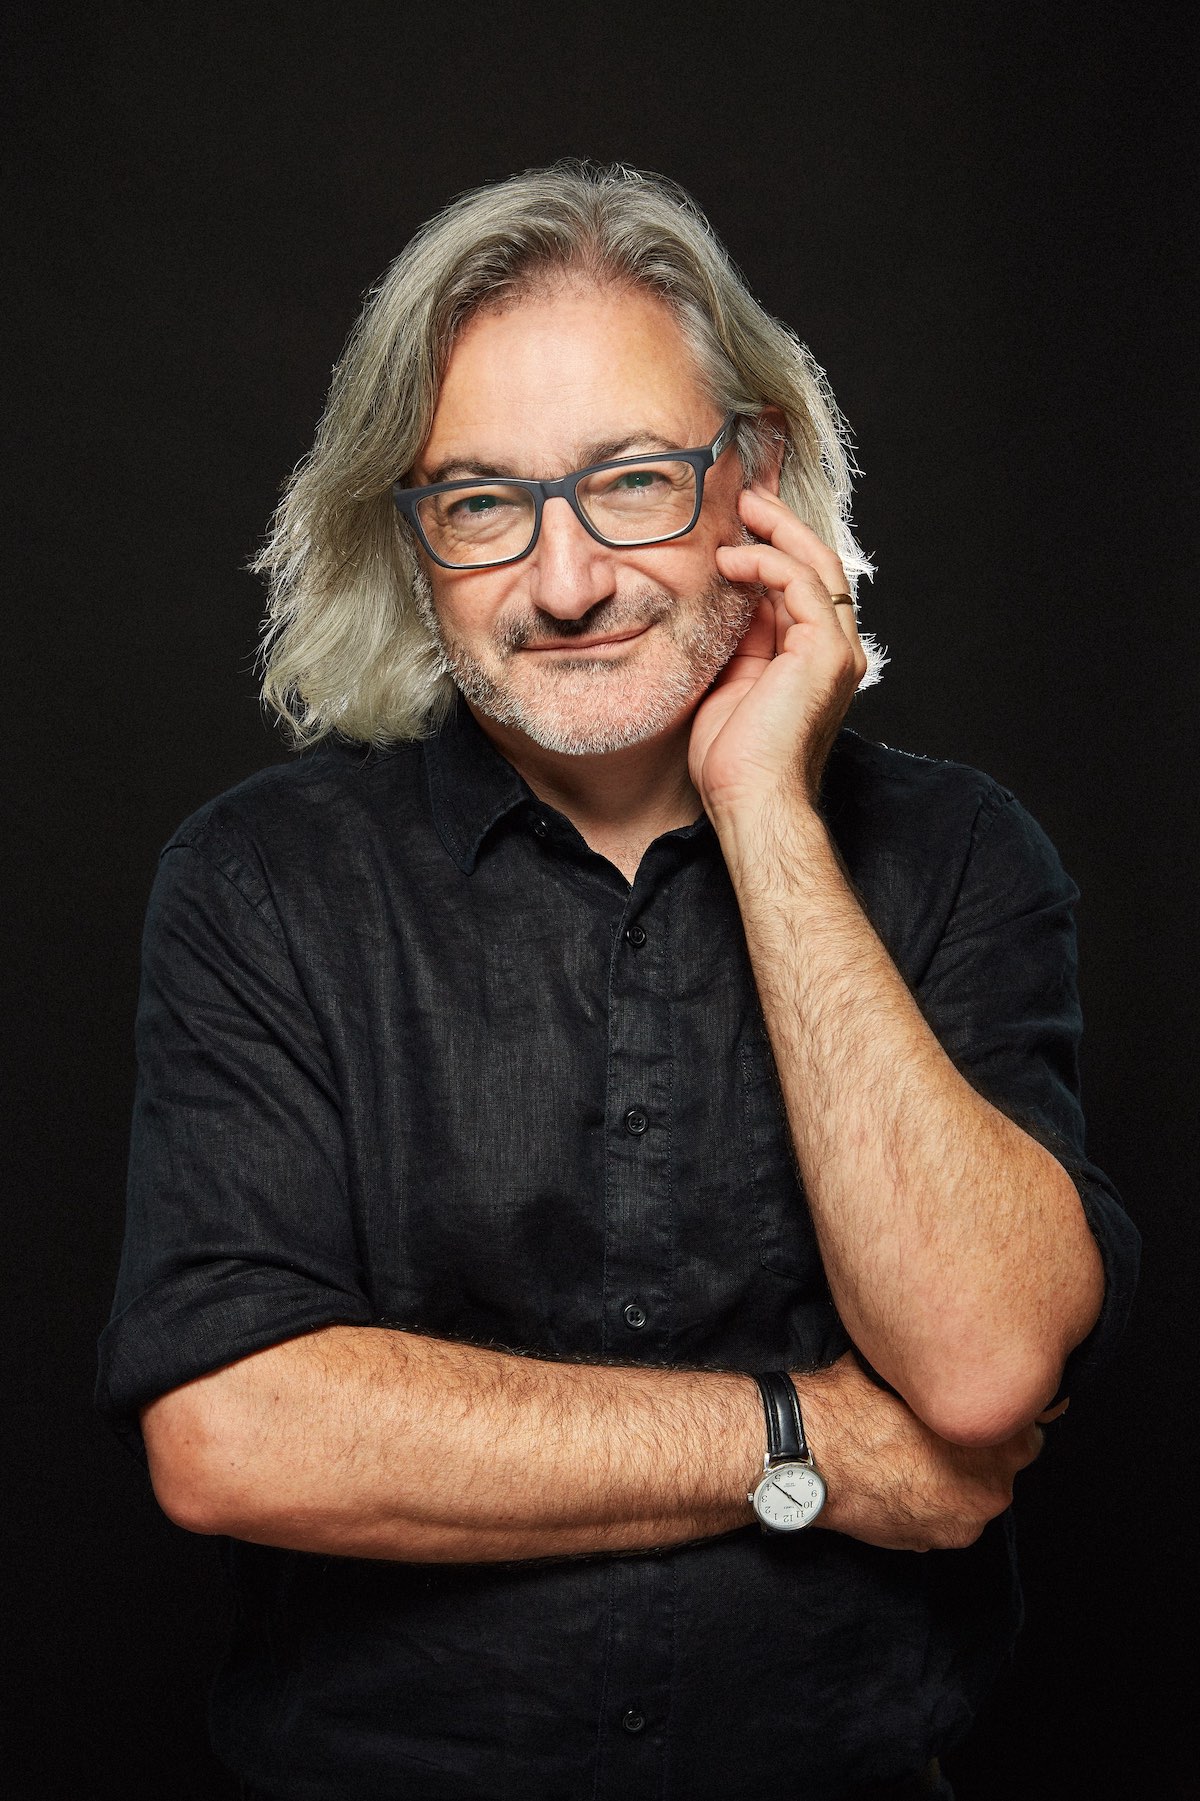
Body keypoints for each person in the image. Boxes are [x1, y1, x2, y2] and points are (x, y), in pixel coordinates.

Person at [97, 162, 1138, 1801]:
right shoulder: (262, 881)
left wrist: (766, 810)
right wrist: (805, 1439)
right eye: (483, 503)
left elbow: (987, 1360)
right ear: (414, 536)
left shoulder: (957, 858)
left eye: (634, 480)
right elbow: (233, 1430)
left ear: (759, 481)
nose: (565, 578)